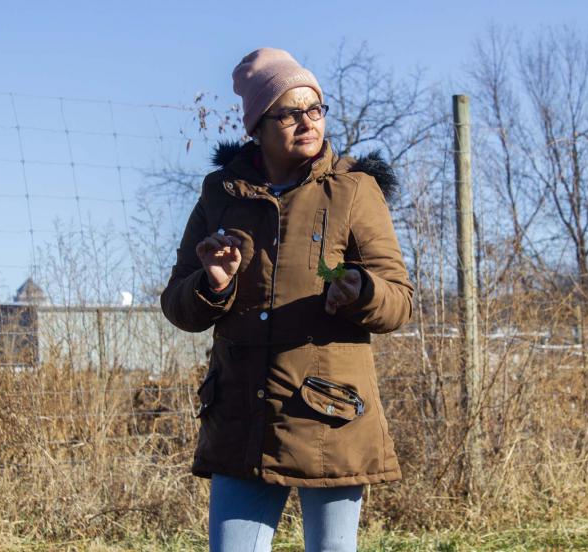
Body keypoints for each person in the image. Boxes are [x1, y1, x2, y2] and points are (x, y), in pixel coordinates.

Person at [160, 47, 414, 552]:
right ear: (257, 124)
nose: (307, 122)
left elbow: (399, 300)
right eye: (289, 112)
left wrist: (361, 291)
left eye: (314, 108)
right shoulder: (220, 194)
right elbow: (176, 304)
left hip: (331, 413)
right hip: (241, 415)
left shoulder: (355, 190)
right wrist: (214, 285)